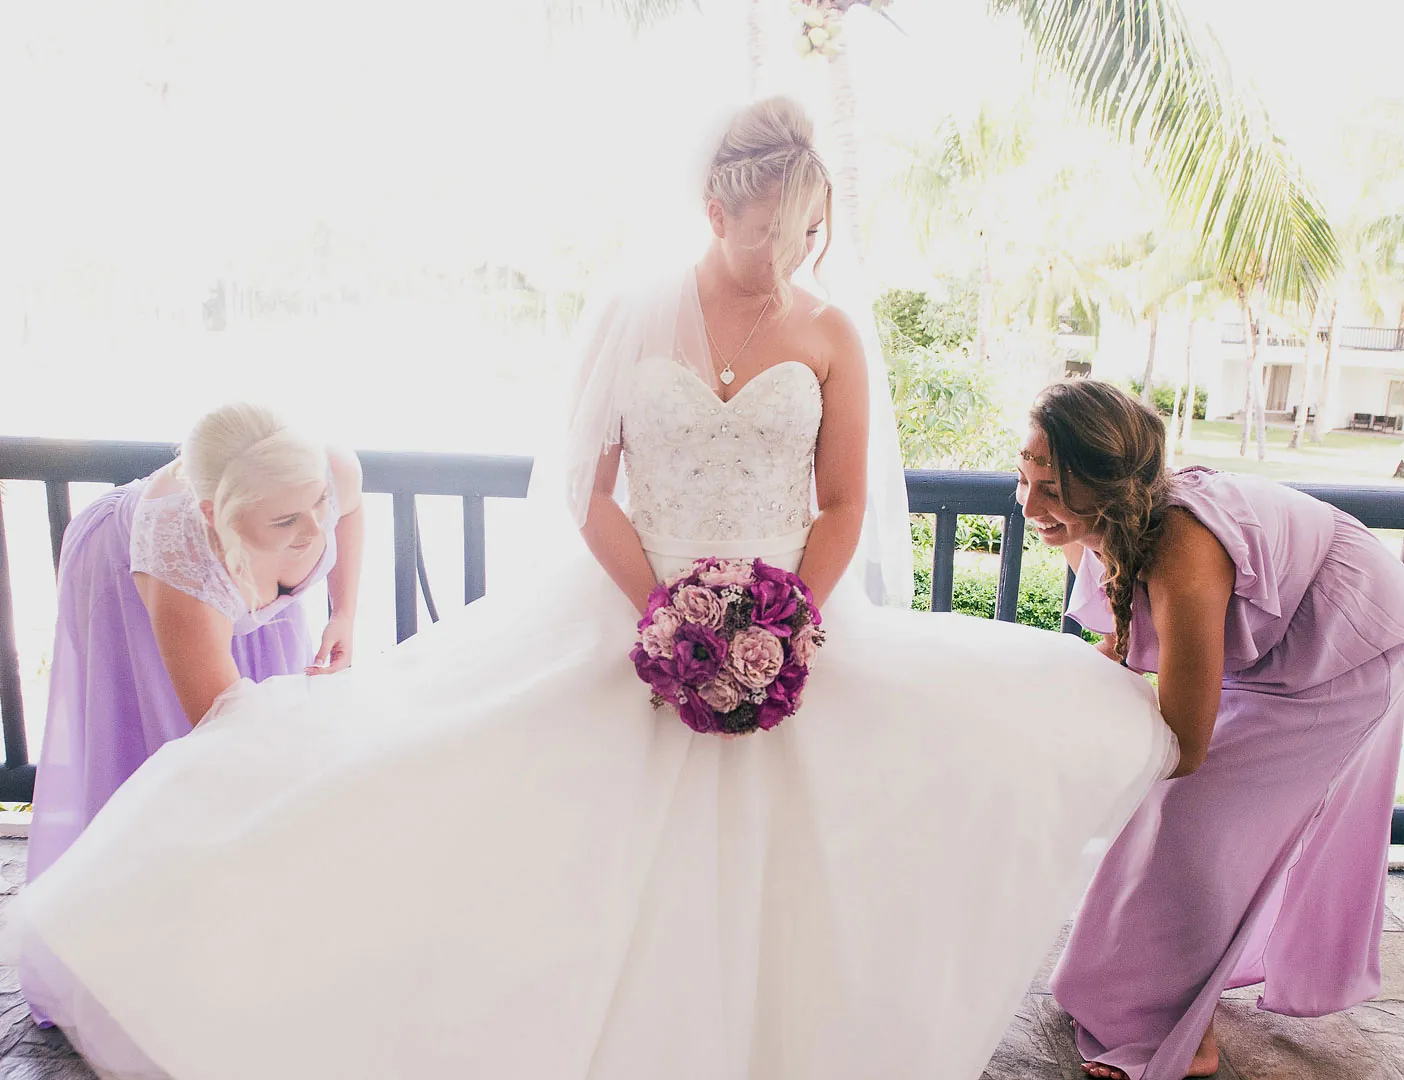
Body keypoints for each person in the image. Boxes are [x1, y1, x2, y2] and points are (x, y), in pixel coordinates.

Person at [11, 99, 1177, 1080]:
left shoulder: (833, 335)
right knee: (463, 815)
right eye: (759, 226)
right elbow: (589, 488)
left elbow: (841, 503)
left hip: (788, 621)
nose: (778, 252)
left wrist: (785, 622)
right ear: (715, 208)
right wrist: (671, 613)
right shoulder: (632, 314)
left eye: (800, 230)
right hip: (626, 606)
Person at [1015, 378, 1404, 1080]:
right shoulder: (1104, 520)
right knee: (1176, 813)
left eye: (1051, 487)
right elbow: (1128, 626)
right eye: (1021, 476)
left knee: (1192, 817)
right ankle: (1134, 988)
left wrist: (1078, 759)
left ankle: (1184, 1031)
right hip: (1286, 630)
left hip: (1350, 639)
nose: (1029, 505)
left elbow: (1186, 743)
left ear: (1110, 483)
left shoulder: (1182, 546)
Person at [23, 402, 363, 1024]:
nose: (316, 529)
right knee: (178, 764)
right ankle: (159, 950)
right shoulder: (177, 555)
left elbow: (350, 506)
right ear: (217, 515)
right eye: (288, 519)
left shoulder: (322, 472)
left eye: (318, 505)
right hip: (129, 590)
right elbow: (229, 732)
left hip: (236, 593)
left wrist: (343, 614)